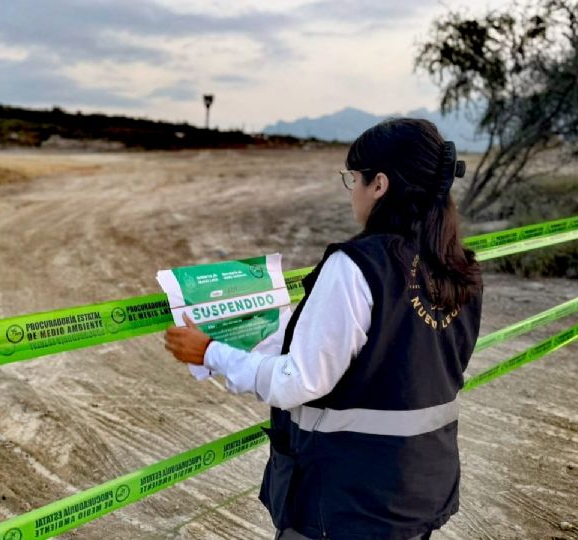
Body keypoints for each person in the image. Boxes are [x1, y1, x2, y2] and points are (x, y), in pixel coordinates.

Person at [164, 118, 484, 540]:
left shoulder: (356, 267)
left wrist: (210, 353)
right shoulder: (459, 268)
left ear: (380, 185)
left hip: (346, 504)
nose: (352, 189)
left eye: (353, 178)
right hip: (419, 489)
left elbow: (298, 382)